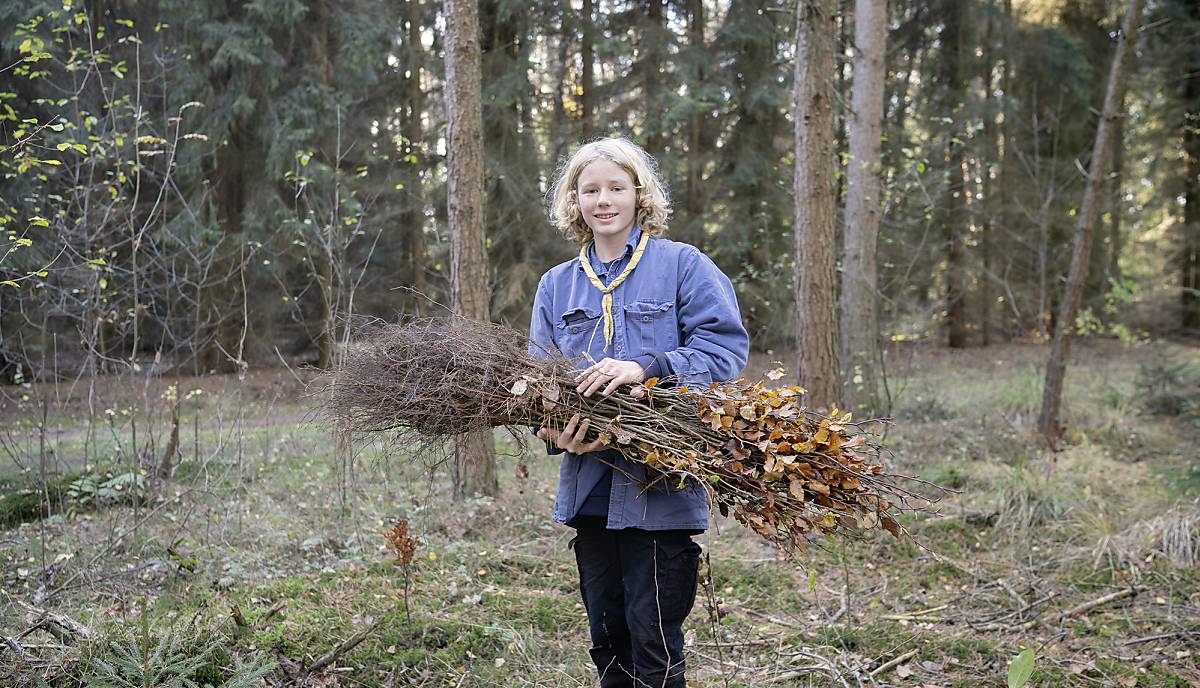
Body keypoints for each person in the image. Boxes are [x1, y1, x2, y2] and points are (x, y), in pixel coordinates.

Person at [529, 136, 749, 688]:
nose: (603, 200)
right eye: (590, 190)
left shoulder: (682, 266)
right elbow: (536, 382)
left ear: (638, 194)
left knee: (654, 637)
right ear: (574, 201)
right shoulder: (556, 285)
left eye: (616, 188)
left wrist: (645, 367)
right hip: (590, 490)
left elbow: (725, 352)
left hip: (661, 488)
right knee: (607, 638)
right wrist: (558, 434)